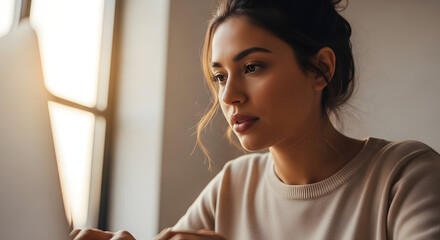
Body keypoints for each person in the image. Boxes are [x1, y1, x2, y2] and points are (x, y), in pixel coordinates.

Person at [71, 0, 440, 239]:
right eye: (220, 76)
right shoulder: (232, 185)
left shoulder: (405, 175)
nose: (229, 95)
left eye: (252, 66)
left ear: (320, 69)